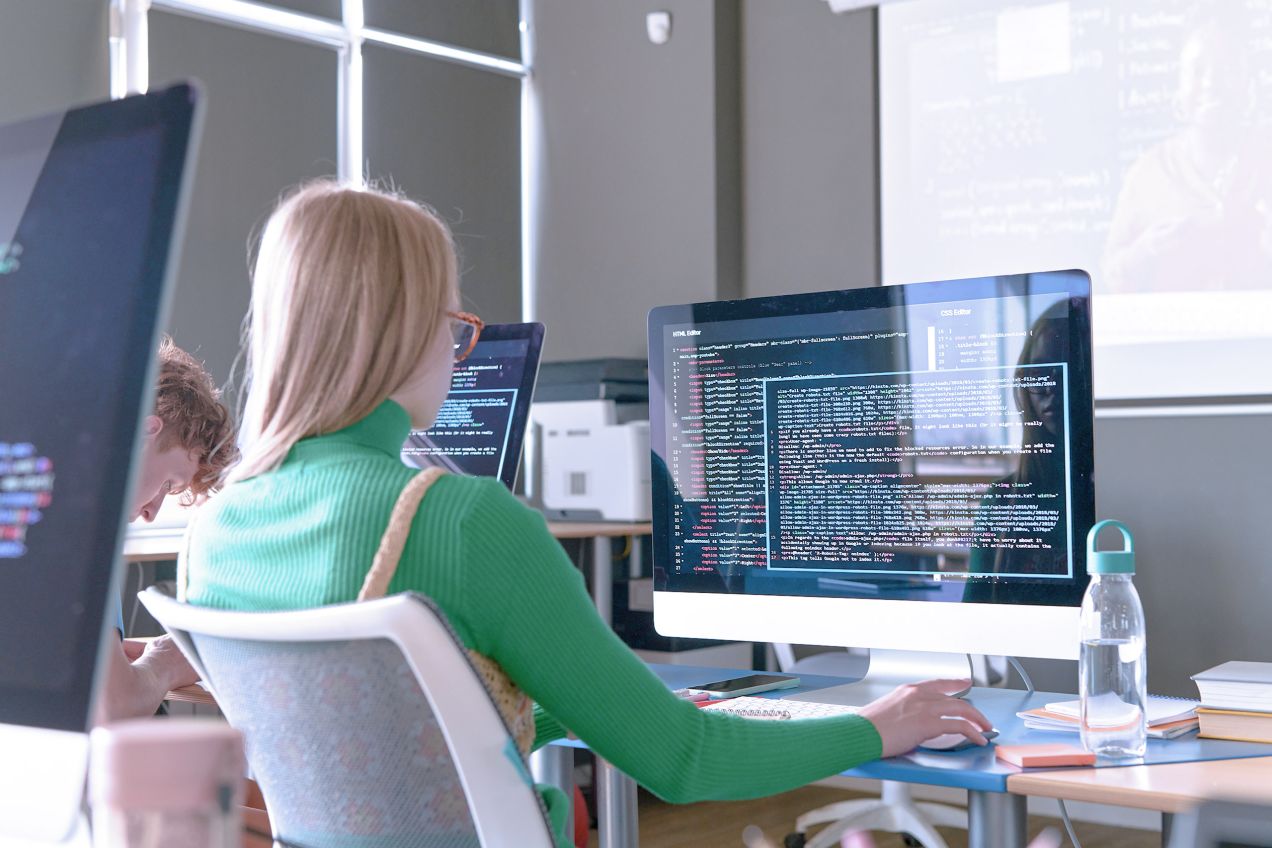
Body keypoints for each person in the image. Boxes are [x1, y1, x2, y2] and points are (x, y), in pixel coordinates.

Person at [181, 181, 991, 847]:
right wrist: (878, 727)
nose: (456, 353)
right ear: (402, 331)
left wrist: (593, 705)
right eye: (454, 326)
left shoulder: (210, 535)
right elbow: (683, 760)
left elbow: (380, 743)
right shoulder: (460, 520)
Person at [95, 336, 239, 724]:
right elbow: (113, 707)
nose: (151, 513)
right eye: (168, 484)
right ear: (146, 431)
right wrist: (165, 663)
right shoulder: (83, 536)